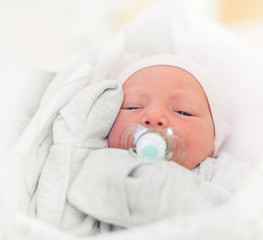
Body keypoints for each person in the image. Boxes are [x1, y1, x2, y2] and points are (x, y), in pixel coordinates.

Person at [66, 54, 245, 233]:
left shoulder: (224, 172)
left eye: (183, 111)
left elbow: (246, 214)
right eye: (133, 106)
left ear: (214, 138)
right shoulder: (98, 161)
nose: (153, 117)